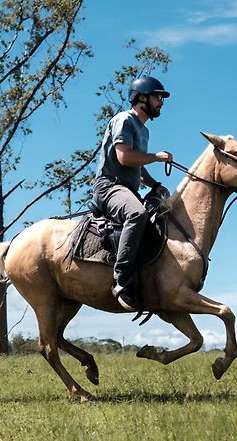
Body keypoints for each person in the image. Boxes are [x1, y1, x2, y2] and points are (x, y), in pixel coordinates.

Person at [92, 75, 172, 309]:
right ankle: (122, 279)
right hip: (109, 187)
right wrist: (156, 157)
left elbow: (137, 165)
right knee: (137, 214)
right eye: (158, 97)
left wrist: (154, 185)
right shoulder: (124, 120)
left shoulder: (143, 131)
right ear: (142, 98)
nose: (161, 102)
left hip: (127, 189)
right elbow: (125, 157)